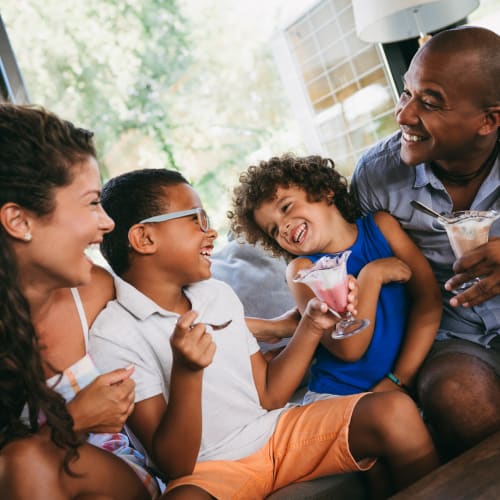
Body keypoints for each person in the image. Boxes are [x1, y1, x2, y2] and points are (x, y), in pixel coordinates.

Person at [89, 167, 440, 499]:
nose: (209, 232)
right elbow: (174, 464)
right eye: (196, 220)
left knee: (395, 411)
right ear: (145, 237)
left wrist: (312, 325)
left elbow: (269, 395)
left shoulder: (217, 293)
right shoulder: (112, 334)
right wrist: (187, 372)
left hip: (275, 433)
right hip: (209, 469)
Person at [349, 25, 500, 459]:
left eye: (430, 103)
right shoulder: (378, 177)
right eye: (405, 94)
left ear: (488, 121)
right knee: (455, 393)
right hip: (456, 337)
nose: (404, 116)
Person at [0, 104, 158, 499]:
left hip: (111, 479)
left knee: (23, 459)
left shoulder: (95, 287)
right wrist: (75, 420)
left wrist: (278, 326)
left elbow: (172, 314)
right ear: (19, 222)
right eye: (91, 203)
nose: (107, 223)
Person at [229, 154, 442, 401]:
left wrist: (399, 378)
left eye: (286, 208)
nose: (284, 226)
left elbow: (429, 302)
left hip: (401, 379)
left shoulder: (382, 227)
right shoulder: (302, 270)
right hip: (339, 394)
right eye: (274, 230)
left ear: (325, 191)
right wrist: (371, 277)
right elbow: (348, 349)